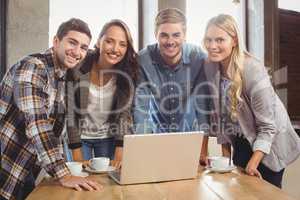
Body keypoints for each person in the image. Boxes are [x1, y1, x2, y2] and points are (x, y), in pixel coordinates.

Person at [0, 18, 102, 200]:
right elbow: (37, 124)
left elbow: (55, 132)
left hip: (25, 169)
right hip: (6, 164)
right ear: (56, 41)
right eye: (72, 42)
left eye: (84, 47)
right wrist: (64, 174)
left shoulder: (62, 76)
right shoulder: (33, 67)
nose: (77, 52)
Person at [202, 14, 300, 188]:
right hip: (242, 140)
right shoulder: (211, 66)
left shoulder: (253, 69)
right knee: (236, 192)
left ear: (234, 41)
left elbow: (268, 127)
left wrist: (253, 163)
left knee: (261, 193)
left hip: (270, 146)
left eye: (219, 40)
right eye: (208, 40)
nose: (212, 46)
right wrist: (225, 159)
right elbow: (221, 118)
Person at [66, 19, 138, 169]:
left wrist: (119, 153)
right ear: (99, 42)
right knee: (79, 178)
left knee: (107, 182)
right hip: (79, 137)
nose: (115, 49)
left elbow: (124, 115)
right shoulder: (78, 67)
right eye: (110, 41)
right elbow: (71, 113)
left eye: (122, 44)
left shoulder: (127, 74)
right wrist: (77, 157)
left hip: (108, 137)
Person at [134, 8, 211, 134]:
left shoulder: (197, 58)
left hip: (190, 134)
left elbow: (202, 106)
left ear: (184, 35)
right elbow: (140, 108)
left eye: (176, 35)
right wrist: (144, 143)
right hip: (157, 135)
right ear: (155, 35)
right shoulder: (143, 59)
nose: (170, 42)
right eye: (164, 35)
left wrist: (204, 143)